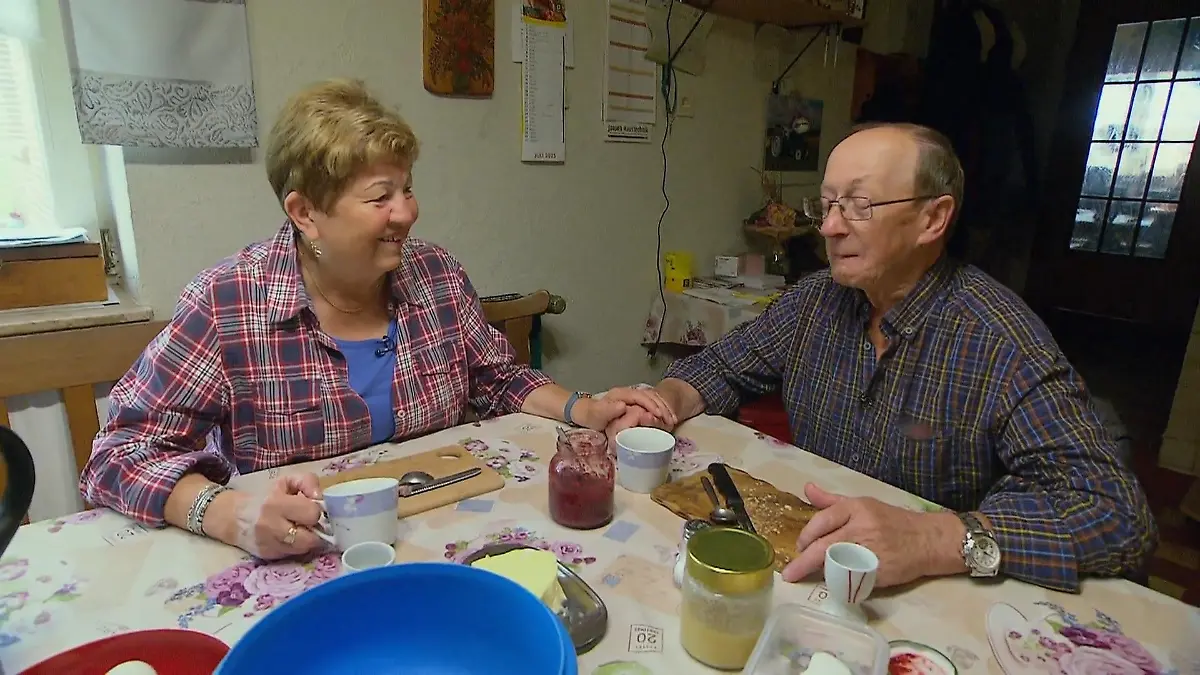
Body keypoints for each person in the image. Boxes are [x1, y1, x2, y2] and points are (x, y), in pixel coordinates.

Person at [81, 79, 672, 560]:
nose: (407, 213)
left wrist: (583, 409)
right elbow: (115, 455)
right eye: (380, 196)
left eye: (408, 189)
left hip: (440, 542)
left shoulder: (435, 274)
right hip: (305, 556)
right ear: (305, 212)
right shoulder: (229, 302)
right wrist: (227, 512)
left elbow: (497, 378)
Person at [607, 122, 1156, 593]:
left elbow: (1116, 515)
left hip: (926, 591)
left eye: (860, 205)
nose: (828, 227)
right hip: (812, 562)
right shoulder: (816, 300)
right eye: (826, 204)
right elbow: (722, 366)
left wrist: (930, 538)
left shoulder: (999, 340)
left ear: (932, 220)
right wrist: (662, 402)